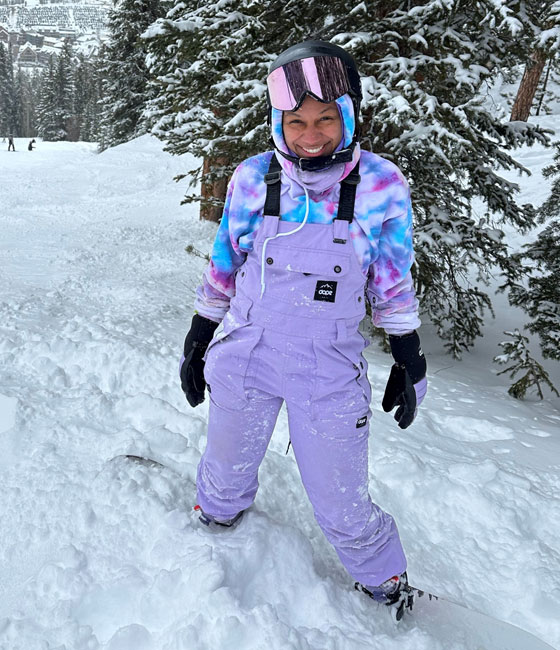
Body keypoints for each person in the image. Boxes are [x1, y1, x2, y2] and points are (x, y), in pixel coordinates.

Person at [180, 41, 427, 620]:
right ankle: (216, 513)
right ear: (278, 122)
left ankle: (382, 576)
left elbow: (391, 280)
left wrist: (409, 354)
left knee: (340, 500)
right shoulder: (254, 177)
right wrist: (198, 337)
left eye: (325, 119)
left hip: (328, 366)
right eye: (296, 122)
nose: (310, 135)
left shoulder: (380, 184)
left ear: (348, 115)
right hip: (248, 351)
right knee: (225, 460)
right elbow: (223, 264)